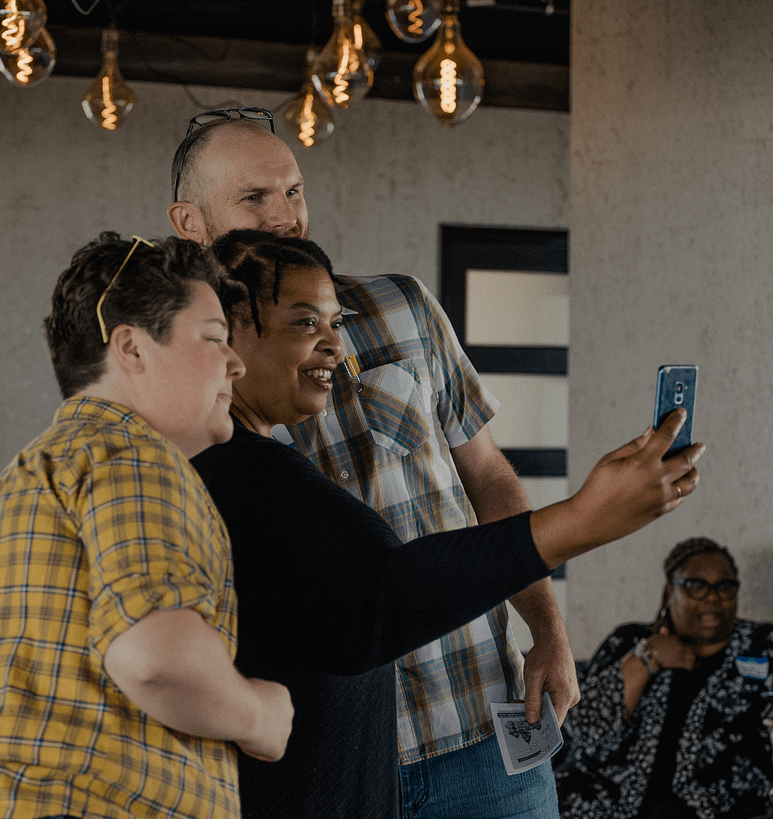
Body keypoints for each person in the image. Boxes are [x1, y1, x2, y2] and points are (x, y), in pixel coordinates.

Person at [190, 228, 704, 818]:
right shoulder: (234, 471)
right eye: (306, 323)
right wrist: (585, 519)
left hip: (472, 720)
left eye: (336, 322)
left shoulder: (251, 459)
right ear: (226, 331)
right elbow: (386, 596)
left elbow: (402, 572)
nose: (334, 345)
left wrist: (549, 620)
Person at [167, 107, 579, 818]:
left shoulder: (404, 308)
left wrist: (549, 629)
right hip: (323, 763)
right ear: (189, 222)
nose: (285, 215)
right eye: (254, 197)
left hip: (476, 725)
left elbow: (489, 477)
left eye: (293, 190)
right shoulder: (178, 373)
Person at [0, 233, 293, 819]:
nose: (236, 362)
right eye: (213, 338)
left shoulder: (13, 489)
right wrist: (260, 716)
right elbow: (156, 659)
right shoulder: (134, 454)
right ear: (132, 348)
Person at [555, 537, 773, 819]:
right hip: (606, 803)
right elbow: (583, 728)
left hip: (718, 809)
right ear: (670, 589)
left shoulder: (763, 647)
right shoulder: (629, 641)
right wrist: (647, 659)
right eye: (695, 585)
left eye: (725, 586)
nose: (712, 596)